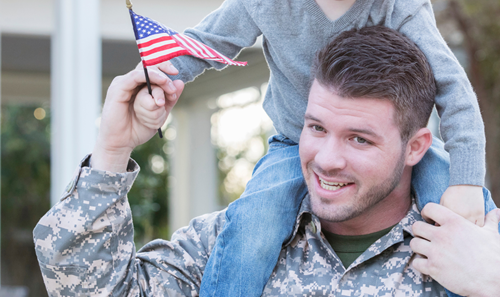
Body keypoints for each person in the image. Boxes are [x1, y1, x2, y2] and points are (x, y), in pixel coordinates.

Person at [134, 0, 489, 297]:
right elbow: (207, 43)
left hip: (395, 150)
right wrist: (161, 77)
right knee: (250, 233)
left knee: (467, 215)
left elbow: (454, 91)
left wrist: (466, 181)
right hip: (291, 142)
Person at [33, 26, 498, 296]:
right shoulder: (233, 241)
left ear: (416, 146)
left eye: (359, 139)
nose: (327, 159)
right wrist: (113, 151)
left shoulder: (479, 251)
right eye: (316, 128)